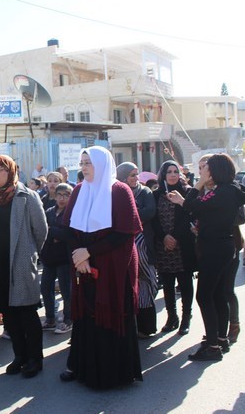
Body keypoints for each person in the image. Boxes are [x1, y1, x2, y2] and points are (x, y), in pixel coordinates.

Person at [59, 146, 143, 388]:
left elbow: (123, 234)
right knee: (86, 316)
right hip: (85, 266)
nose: (83, 167)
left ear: (102, 164)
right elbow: (70, 229)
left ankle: (112, 373)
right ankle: (81, 367)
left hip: (114, 265)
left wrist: (90, 252)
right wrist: (80, 257)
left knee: (111, 314)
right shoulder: (79, 191)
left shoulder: (119, 191)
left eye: (88, 162)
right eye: (82, 162)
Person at [168, 153, 245, 361]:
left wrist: (195, 188)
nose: (202, 171)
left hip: (215, 248)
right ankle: (220, 340)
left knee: (204, 296)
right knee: (217, 295)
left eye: (205, 168)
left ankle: (212, 346)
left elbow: (193, 206)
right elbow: (201, 212)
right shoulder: (229, 190)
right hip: (221, 245)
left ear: (214, 171)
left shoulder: (223, 191)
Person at [0, 155, 47, 378]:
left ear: (10, 172)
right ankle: (19, 356)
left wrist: (29, 254)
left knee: (27, 315)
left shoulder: (27, 196)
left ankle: (35, 359)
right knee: (8, 314)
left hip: (19, 264)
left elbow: (41, 231)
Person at [152, 161, 197, 336]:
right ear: (163, 175)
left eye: (175, 171)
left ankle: (186, 318)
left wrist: (175, 237)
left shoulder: (186, 192)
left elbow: (188, 216)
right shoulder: (156, 195)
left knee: (185, 283)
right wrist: (164, 237)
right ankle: (172, 317)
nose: (172, 175)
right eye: (169, 172)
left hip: (182, 244)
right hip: (163, 246)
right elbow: (154, 220)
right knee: (168, 284)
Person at [116, 162, 158, 338]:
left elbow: (150, 212)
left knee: (146, 284)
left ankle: (147, 327)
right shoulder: (117, 192)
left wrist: (131, 214)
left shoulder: (144, 192)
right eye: (132, 175)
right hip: (124, 244)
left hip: (142, 242)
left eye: (136, 174)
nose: (136, 178)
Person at [40, 183, 73, 334]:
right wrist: (54, 233)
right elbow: (42, 230)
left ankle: (68, 320)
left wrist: (52, 231)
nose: (62, 198)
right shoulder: (49, 211)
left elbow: (68, 234)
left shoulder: (72, 213)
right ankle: (50, 318)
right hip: (49, 257)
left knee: (66, 291)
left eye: (66, 195)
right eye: (59, 195)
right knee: (46, 289)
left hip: (64, 259)